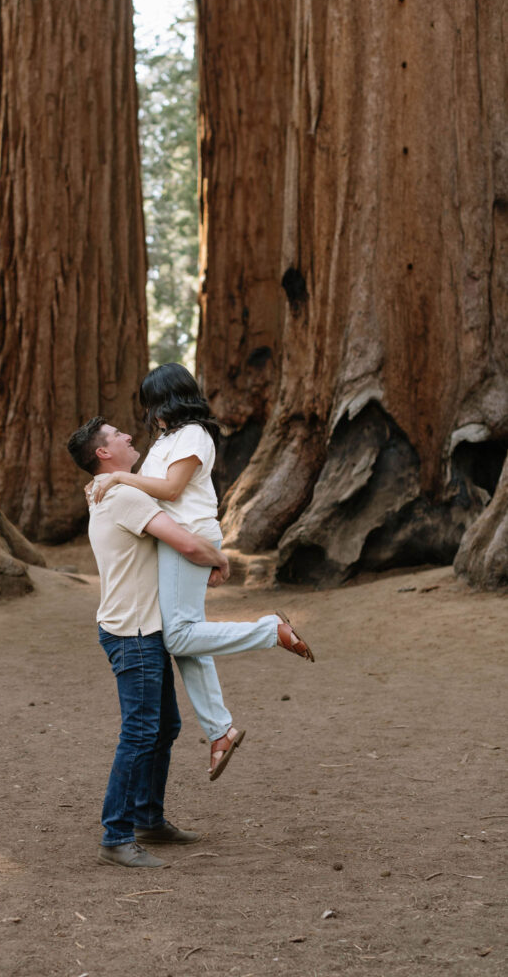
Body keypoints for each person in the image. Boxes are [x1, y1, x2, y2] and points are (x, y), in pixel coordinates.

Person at [92, 363, 314, 780]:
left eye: (153, 403)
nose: (150, 413)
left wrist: (121, 476)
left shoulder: (193, 434)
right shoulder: (166, 439)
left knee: (178, 635)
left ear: (169, 401)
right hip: (175, 538)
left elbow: (172, 490)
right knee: (186, 636)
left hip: (187, 535)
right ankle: (220, 731)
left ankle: (271, 631)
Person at [67, 415, 232, 867]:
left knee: (164, 727)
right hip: (134, 633)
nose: (127, 435)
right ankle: (116, 835)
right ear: (103, 453)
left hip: (140, 629)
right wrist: (220, 559)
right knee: (141, 732)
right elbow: (186, 544)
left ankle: (147, 820)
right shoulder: (121, 495)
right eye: (117, 434)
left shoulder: (110, 489)